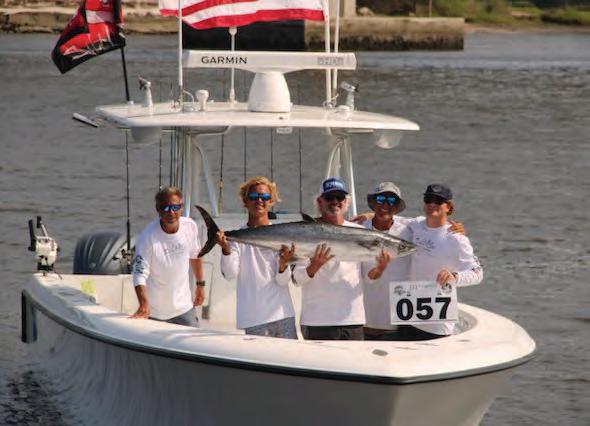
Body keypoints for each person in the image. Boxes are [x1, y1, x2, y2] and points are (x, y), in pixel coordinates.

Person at [362, 182, 466, 340]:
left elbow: (434, 225)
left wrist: (456, 276)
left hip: (402, 322)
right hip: (362, 320)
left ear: (397, 207)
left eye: (391, 201)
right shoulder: (358, 227)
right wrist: (368, 215)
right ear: (372, 203)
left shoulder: (411, 229)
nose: (385, 205)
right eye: (380, 199)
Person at [292, 177, 379, 341]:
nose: (335, 202)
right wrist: (314, 266)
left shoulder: (360, 232)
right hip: (317, 321)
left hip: (352, 319)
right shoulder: (306, 232)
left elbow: (368, 277)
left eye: (340, 197)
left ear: (346, 202)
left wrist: (380, 268)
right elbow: (298, 279)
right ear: (320, 201)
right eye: (329, 197)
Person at [215, 176, 298, 339]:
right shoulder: (237, 238)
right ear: (245, 201)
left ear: (271, 201)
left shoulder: (281, 236)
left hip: (283, 313)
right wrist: (225, 249)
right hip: (255, 318)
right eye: (254, 196)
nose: (259, 200)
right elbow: (230, 274)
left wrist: (283, 265)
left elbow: (282, 281)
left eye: (265, 197)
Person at [406, 183, 483, 338]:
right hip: (408, 316)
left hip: (438, 324)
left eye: (438, 201)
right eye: (428, 200)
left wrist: (455, 277)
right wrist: (368, 215)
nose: (432, 204)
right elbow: (392, 220)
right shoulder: (416, 225)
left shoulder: (457, 238)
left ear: (448, 207)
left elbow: (477, 273)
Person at [131, 186, 205, 327]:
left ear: (182, 207)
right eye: (165, 208)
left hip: (185, 308)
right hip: (155, 313)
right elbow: (139, 275)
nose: (171, 212)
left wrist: (200, 285)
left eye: (175, 207)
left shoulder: (190, 226)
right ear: (158, 209)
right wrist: (143, 304)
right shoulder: (147, 236)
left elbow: (195, 255)